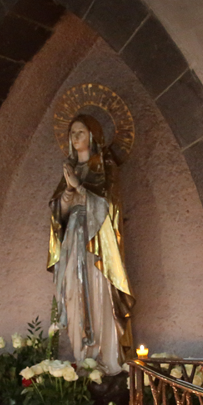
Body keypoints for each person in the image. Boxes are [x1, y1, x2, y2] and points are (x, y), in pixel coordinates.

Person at [47, 114, 134, 374]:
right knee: (73, 291)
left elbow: (111, 208)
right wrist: (67, 193)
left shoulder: (105, 168)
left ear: (93, 136)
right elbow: (58, 216)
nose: (75, 138)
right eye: (72, 133)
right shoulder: (69, 172)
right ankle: (81, 355)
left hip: (97, 245)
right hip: (73, 239)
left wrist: (80, 187)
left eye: (81, 132)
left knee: (97, 292)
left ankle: (105, 359)